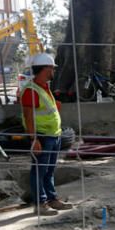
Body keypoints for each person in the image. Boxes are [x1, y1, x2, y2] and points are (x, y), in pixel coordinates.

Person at [20, 53, 71, 215]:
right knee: (39, 171)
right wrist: (34, 139)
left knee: (48, 171)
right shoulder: (31, 90)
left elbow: (46, 109)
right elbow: (28, 117)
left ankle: (52, 199)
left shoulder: (44, 87)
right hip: (42, 136)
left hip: (53, 135)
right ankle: (40, 203)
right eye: (52, 68)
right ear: (45, 69)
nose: (53, 71)